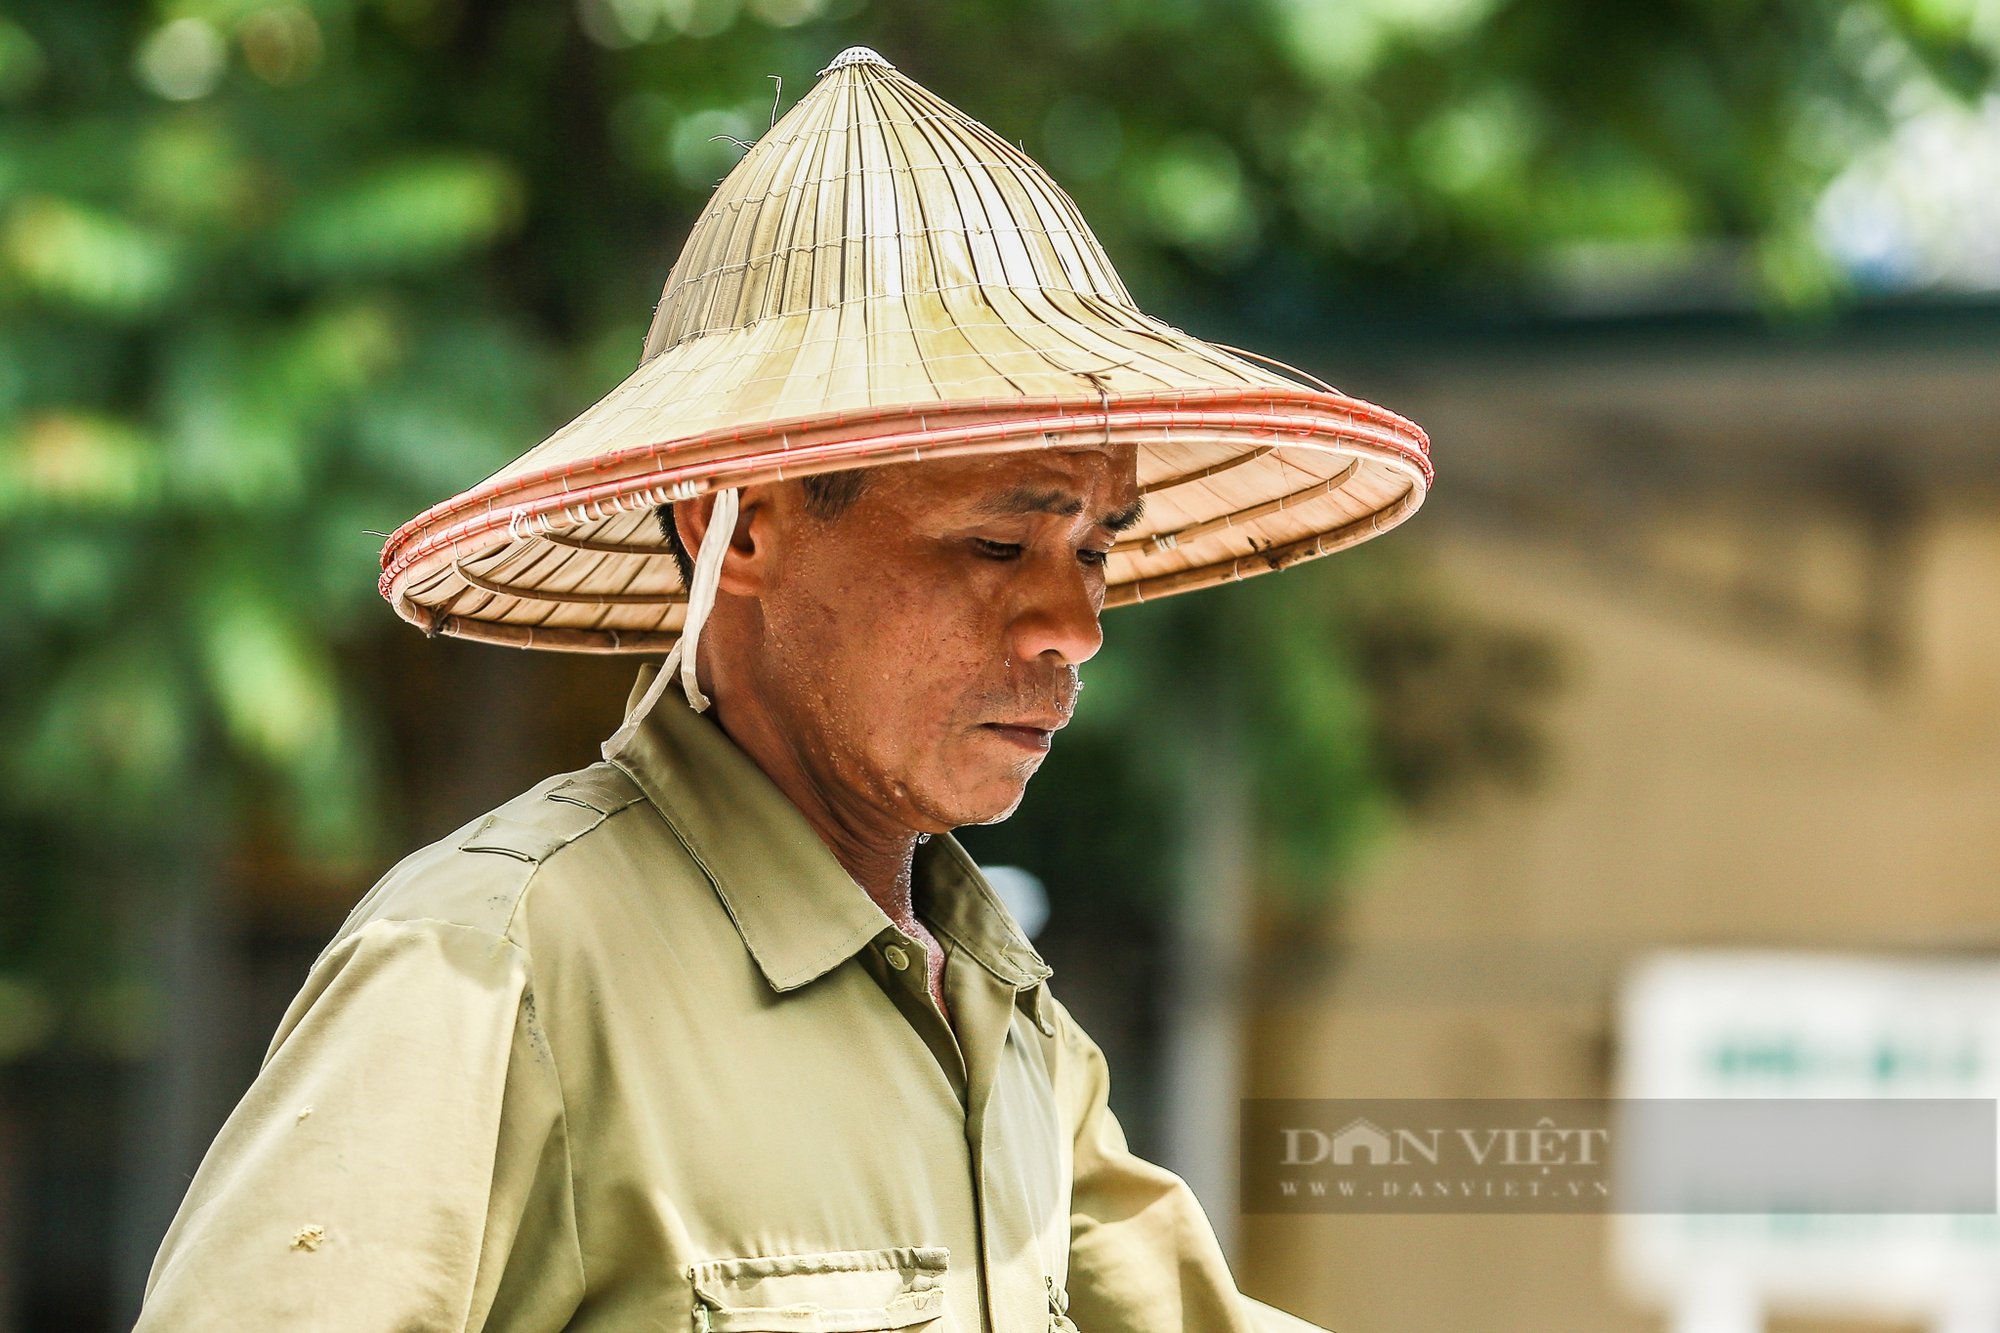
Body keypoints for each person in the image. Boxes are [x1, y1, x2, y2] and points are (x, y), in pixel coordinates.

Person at [138, 46, 1430, 1331]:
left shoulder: (997, 1010)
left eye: (1094, 549)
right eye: (995, 543)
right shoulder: (498, 963)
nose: (1073, 626)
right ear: (739, 527)